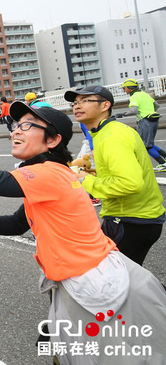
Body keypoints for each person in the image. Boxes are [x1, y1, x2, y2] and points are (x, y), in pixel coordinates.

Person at [0, 96, 166, 364]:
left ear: (52, 141)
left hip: (91, 283)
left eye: (28, 125)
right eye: (17, 124)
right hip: (80, 278)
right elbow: (18, 224)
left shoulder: (49, 174)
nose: (16, 129)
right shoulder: (52, 173)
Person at [65, 85, 164, 265]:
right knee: (123, 280)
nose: (77, 106)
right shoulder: (107, 131)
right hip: (138, 217)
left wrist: (85, 180)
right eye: (75, 102)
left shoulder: (111, 137)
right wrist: (94, 174)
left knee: (115, 282)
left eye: (85, 101)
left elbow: (130, 183)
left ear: (105, 106)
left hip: (131, 219)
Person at [117, 78, 166, 171]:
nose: (124, 89)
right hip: (154, 119)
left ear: (129, 88)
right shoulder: (144, 94)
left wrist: (123, 114)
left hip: (145, 121)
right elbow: (157, 105)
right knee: (149, 143)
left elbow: (134, 110)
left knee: (145, 145)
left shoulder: (134, 96)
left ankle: (163, 163)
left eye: (124, 88)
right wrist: (150, 112)